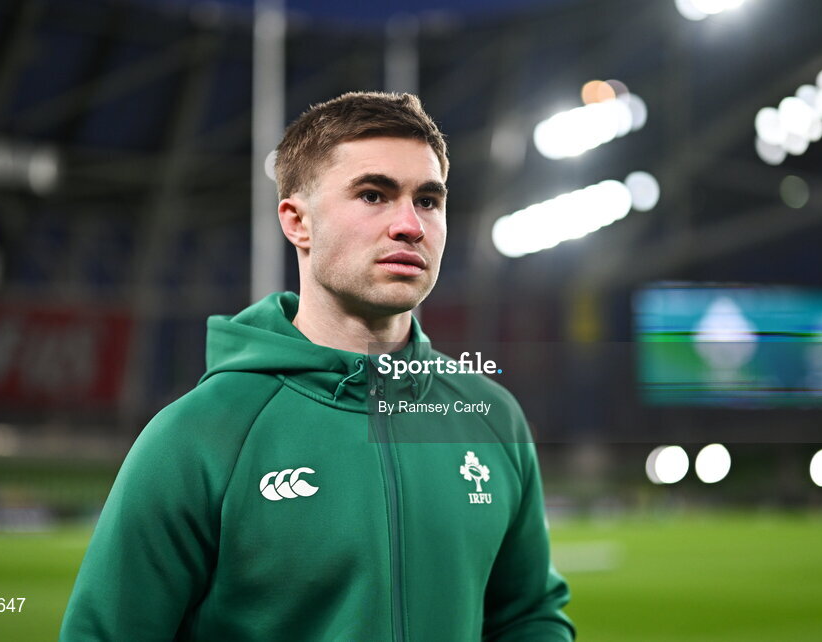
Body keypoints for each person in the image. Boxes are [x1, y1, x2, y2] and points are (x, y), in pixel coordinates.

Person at [60, 91, 575, 641]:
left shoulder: (493, 418)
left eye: (428, 200)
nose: (410, 225)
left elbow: (527, 615)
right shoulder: (197, 437)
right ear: (297, 222)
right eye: (374, 195)